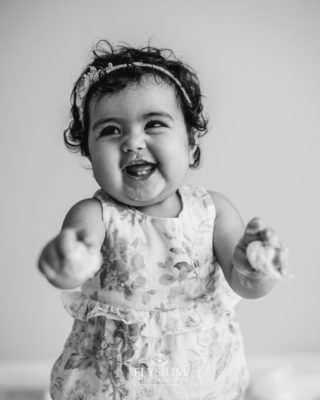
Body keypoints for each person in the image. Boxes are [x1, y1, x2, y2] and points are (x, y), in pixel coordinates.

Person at [38, 40, 288, 400]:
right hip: (111, 384)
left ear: (191, 143)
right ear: (89, 155)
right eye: (110, 130)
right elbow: (76, 260)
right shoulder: (95, 215)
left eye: (153, 123)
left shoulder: (212, 211)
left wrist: (256, 266)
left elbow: (246, 286)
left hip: (200, 377)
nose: (132, 142)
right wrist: (64, 260)